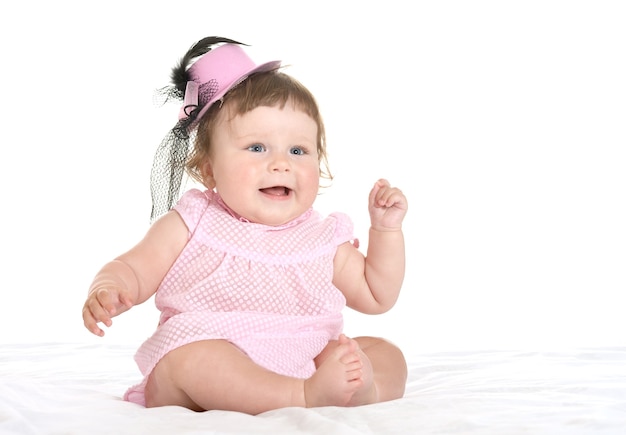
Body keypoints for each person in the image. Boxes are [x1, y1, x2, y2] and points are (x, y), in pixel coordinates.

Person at [82, 36, 408, 415]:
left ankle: (360, 391)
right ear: (208, 169)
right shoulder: (193, 222)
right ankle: (299, 397)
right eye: (257, 147)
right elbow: (133, 267)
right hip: (217, 353)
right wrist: (110, 287)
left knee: (386, 353)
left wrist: (385, 232)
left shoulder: (321, 238)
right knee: (190, 360)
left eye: (298, 150)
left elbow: (376, 294)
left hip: (305, 353)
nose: (281, 163)